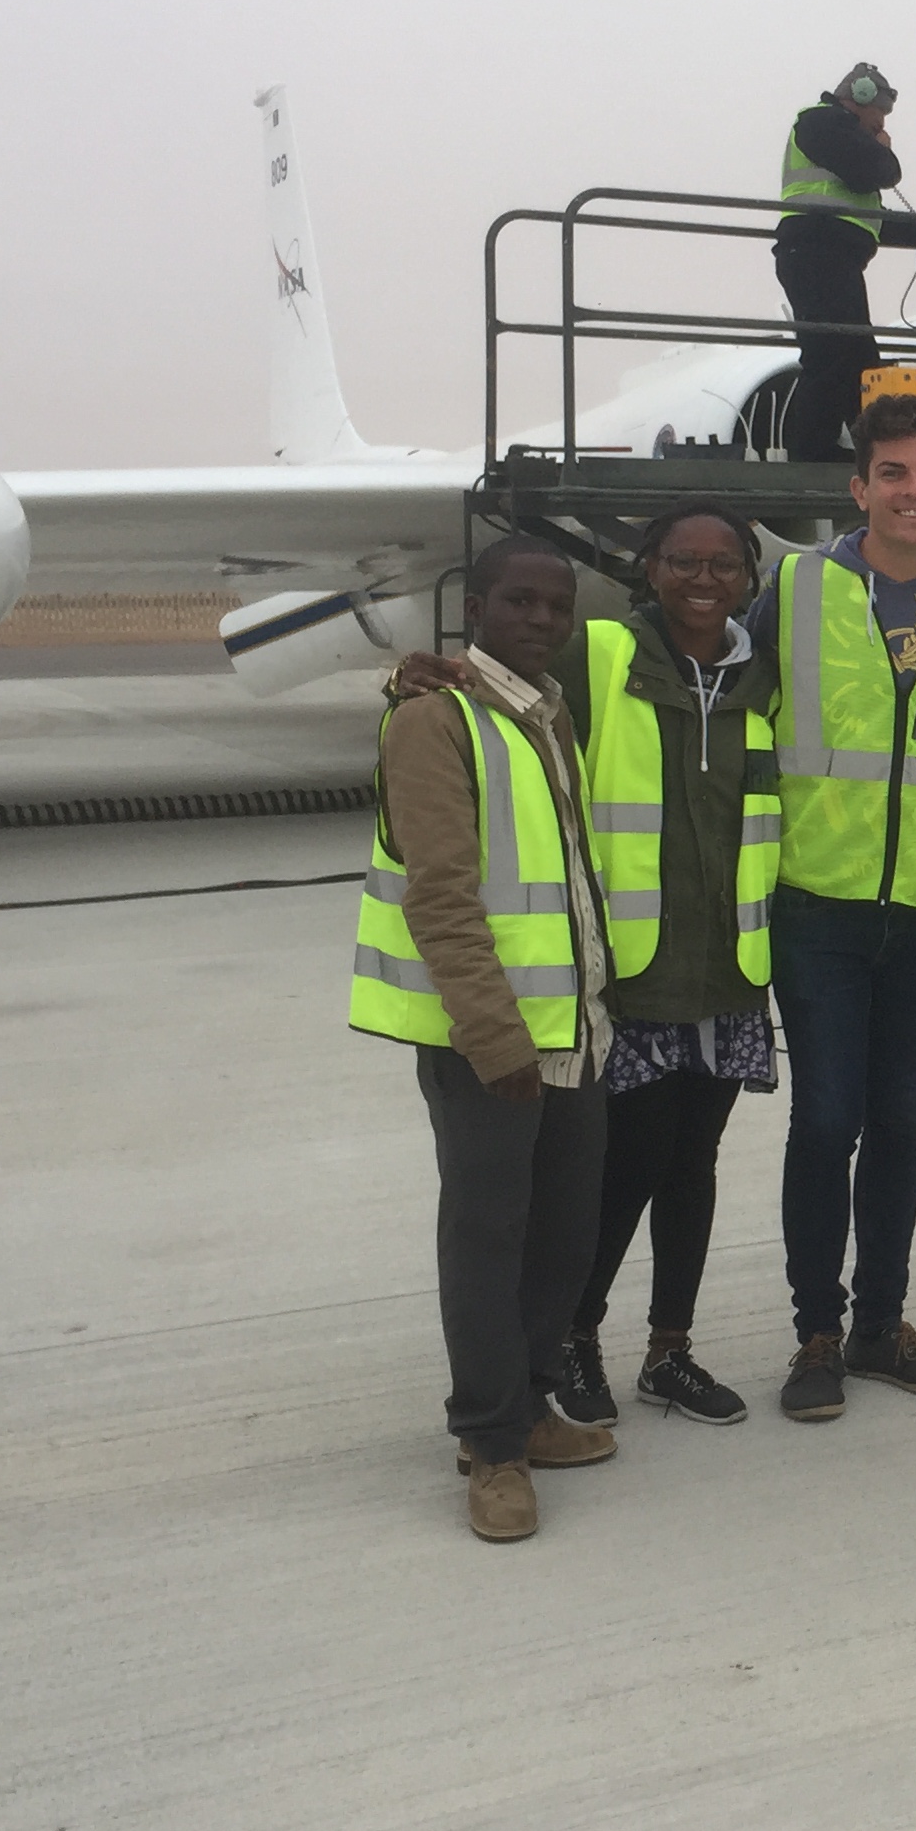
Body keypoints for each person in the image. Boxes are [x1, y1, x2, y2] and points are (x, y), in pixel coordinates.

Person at [381, 504, 786, 1433]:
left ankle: (669, 1349)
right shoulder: (597, 656)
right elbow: (482, 685)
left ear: (749, 579)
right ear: (647, 569)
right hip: (628, 977)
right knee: (616, 1177)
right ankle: (570, 1342)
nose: (703, 579)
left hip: (726, 965)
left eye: (724, 564)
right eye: (682, 560)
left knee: (693, 1167)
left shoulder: (762, 672)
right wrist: (409, 675)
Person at [746, 392, 916, 1422]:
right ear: (858, 487)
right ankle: (816, 1329)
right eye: (893, 474)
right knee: (826, 1119)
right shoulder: (799, 586)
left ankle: (879, 1322)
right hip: (820, 899)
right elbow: (711, 678)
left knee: (902, 1119)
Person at [347, 534, 619, 1544]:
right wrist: (493, 1036)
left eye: (558, 605)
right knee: (488, 1236)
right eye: (520, 603)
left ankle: (533, 1402)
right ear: (474, 608)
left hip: (575, 1027)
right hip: (492, 1043)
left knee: (562, 1233)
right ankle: (490, 1445)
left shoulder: (543, 715)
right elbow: (444, 895)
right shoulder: (434, 719)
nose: (542, 620)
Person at [775, 62, 916, 462]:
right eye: (880, 113)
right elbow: (877, 170)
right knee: (829, 351)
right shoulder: (822, 122)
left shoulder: (834, 132)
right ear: (864, 97)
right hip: (818, 250)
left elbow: (861, 209)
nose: (880, 123)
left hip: (829, 253)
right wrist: (882, 148)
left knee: (855, 355)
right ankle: (812, 451)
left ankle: (867, 449)